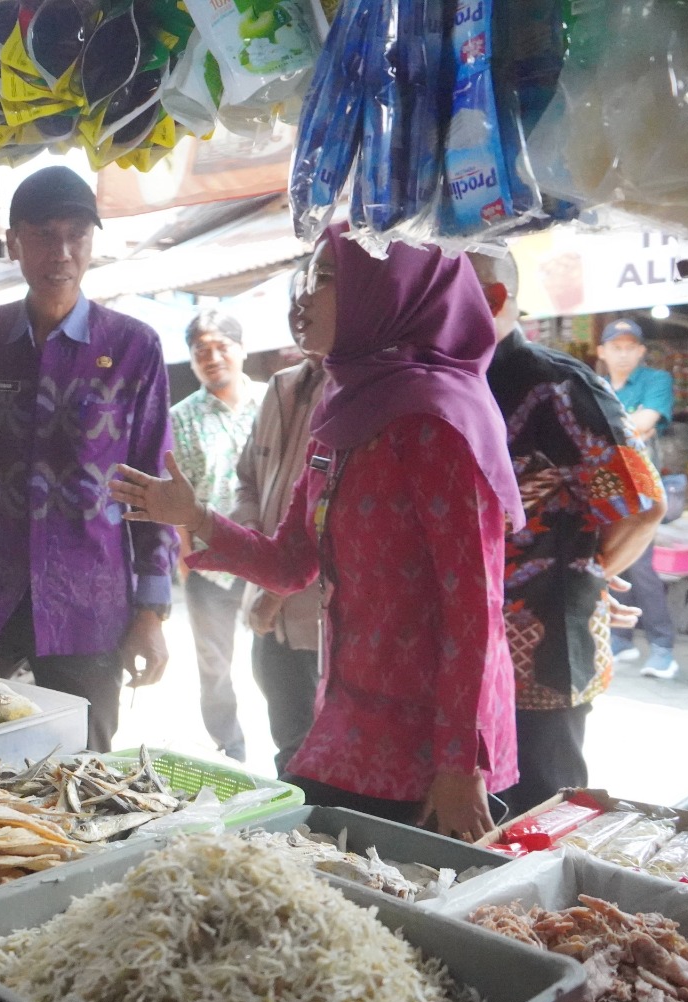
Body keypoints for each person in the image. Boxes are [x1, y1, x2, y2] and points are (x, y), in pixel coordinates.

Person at [110, 225, 522, 840]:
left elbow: (475, 611)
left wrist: (459, 765)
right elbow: (291, 565)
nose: (302, 297)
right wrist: (196, 518)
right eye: (308, 276)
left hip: (431, 752)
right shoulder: (346, 411)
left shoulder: (438, 421)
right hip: (349, 721)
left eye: (327, 278)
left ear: (389, 292)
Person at [0, 166, 176, 752]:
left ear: (93, 241)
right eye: (45, 234)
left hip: (91, 607)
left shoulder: (133, 347)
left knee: (83, 766)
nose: (63, 251)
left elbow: (157, 486)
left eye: (77, 234)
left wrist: (151, 611)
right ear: (15, 240)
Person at [469, 253, 666, 815]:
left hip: (541, 646)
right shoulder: (453, 380)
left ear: (495, 299)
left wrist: (590, 577)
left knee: (539, 808)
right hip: (461, 640)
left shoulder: (555, 386)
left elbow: (641, 504)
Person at [231, 297, 327, 778]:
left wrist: (274, 589)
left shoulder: (361, 396)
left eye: (323, 284)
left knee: (324, 767)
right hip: (269, 622)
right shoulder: (281, 387)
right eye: (296, 294)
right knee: (290, 753)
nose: (301, 305)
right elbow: (247, 479)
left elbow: (330, 523)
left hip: (322, 624)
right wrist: (253, 552)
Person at [170, 311, 264, 762]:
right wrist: (185, 560)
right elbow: (177, 497)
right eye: (200, 350)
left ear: (242, 349)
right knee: (215, 666)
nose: (212, 357)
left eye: (221, 345)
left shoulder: (274, 404)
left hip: (272, 556)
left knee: (278, 659)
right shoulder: (181, 418)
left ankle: (293, 744)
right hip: (211, 564)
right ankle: (232, 749)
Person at [599, 318, 679, 679]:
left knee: (642, 567)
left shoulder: (656, 381)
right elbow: (631, 427)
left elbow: (646, 421)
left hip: (645, 493)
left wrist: (601, 432)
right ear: (602, 352)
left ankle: (663, 647)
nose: (624, 353)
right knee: (613, 563)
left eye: (631, 346)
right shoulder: (596, 384)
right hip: (606, 490)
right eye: (616, 346)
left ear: (642, 351)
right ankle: (621, 638)